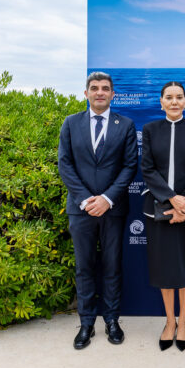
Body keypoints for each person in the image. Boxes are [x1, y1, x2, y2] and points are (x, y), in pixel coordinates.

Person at [58, 71, 138, 350]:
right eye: (95, 88)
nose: (100, 92)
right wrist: (85, 200)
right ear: (86, 93)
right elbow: (64, 164)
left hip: (113, 209)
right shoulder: (71, 123)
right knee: (84, 267)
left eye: (105, 88)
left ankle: (112, 321)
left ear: (113, 94)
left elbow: (130, 166)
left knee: (113, 266)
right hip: (80, 210)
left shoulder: (125, 125)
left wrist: (106, 198)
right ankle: (86, 323)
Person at [140, 82, 185, 352]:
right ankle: (169, 321)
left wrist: (183, 205)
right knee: (163, 267)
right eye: (169, 97)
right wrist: (170, 199)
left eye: (179, 97)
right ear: (161, 102)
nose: (174, 101)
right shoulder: (150, 130)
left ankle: (184, 322)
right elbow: (147, 169)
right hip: (157, 208)